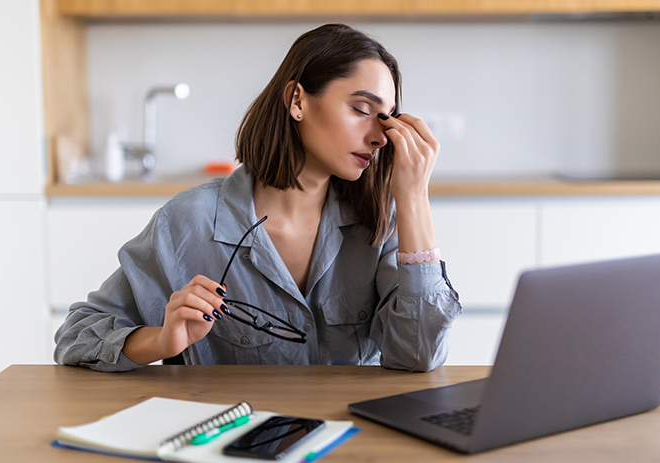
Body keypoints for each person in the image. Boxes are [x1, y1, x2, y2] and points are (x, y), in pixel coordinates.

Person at [54, 23, 461, 372]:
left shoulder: (382, 222)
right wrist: (162, 341)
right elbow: (76, 337)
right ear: (297, 100)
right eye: (360, 109)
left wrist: (413, 199)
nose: (378, 136)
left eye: (386, 118)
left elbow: (419, 355)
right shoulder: (187, 223)